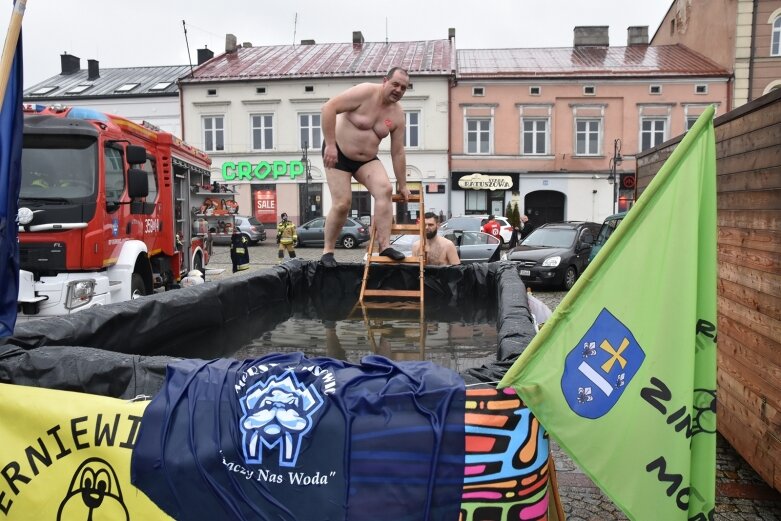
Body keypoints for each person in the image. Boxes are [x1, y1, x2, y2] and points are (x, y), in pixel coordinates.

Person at [320, 66, 412, 268]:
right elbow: (328, 108)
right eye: (395, 84)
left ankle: (385, 245)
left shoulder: (397, 114)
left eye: (403, 88)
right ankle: (328, 251)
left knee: (385, 190)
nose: (398, 90)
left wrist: (403, 184)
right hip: (338, 154)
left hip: (367, 160)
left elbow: (398, 151)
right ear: (384, 81)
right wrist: (330, 144)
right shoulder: (364, 92)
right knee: (343, 203)